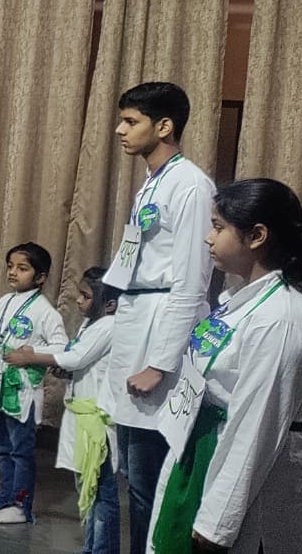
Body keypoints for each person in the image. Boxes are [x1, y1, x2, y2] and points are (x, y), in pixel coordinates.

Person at [148, 179, 302, 554]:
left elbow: (256, 426)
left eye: (218, 227)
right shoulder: (241, 302)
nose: (208, 238)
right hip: (202, 451)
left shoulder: (282, 320)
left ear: (257, 236)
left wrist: (216, 525)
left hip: (250, 481)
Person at [103, 82, 215, 551]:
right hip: (138, 314)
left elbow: (192, 280)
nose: (120, 130)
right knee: (131, 472)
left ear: (164, 126)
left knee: (150, 475)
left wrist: (160, 362)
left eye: (131, 121)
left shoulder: (190, 185)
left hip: (161, 326)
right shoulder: (153, 182)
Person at [7, 267, 121, 553]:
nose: (78, 301)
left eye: (86, 296)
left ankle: (102, 549)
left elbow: (76, 357)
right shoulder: (90, 324)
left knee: (101, 491)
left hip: (97, 420)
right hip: (81, 415)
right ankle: (91, 546)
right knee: (87, 487)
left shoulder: (110, 325)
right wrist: (65, 369)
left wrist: (33, 357)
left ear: (109, 304)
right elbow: (78, 361)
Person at [0, 242, 67, 523]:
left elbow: (61, 348)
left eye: (22, 268)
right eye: (10, 266)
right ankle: (5, 498)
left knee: (21, 451)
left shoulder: (46, 311)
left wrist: (30, 355)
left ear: (40, 277)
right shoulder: (5, 301)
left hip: (23, 393)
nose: (13, 272)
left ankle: (21, 505)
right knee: (2, 446)